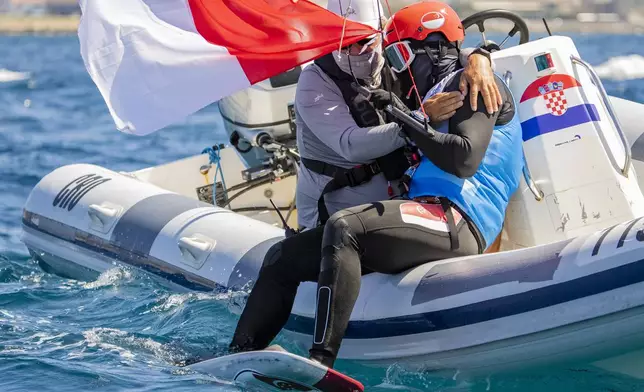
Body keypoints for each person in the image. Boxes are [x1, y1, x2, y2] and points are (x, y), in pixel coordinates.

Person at [227, 0, 524, 369]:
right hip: (426, 211)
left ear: (430, 51)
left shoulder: (473, 85)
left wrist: (473, 64)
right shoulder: (434, 87)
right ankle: (236, 356)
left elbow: (462, 160)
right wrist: (419, 111)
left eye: (400, 56)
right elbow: (353, 142)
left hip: (458, 218)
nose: (395, 68)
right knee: (281, 258)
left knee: (344, 228)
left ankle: (321, 362)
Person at [294, 0, 502, 231]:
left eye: (363, 41)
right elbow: (350, 144)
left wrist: (478, 59)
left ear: (380, 31)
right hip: (334, 215)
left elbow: (442, 56)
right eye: (343, 43)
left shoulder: (394, 58)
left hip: (397, 203)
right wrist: (417, 120)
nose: (354, 51)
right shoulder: (314, 81)